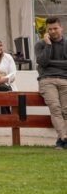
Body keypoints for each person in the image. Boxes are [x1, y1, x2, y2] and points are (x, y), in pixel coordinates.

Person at [35, 17, 67, 149]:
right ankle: (64, 137)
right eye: (50, 29)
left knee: (66, 110)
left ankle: (62, 141)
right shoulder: (40, 44)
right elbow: (42, 62)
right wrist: (48, 45)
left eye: (55, 28)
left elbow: (46, 64)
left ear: (61, 28)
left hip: (65, 80)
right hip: (47, 80)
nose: (53, 31)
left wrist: (51, 63)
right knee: (55, 108)